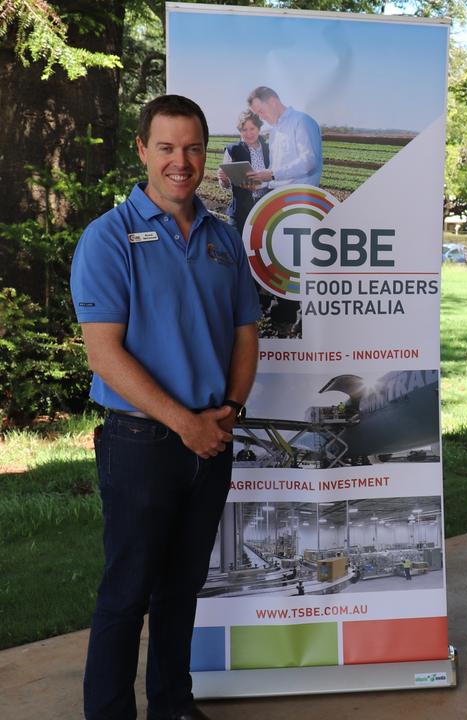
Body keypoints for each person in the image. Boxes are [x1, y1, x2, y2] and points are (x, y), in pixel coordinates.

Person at [71, 94, 261, 720]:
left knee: (183, 586)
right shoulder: (108, 238)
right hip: (141, 442)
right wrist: (185, 424)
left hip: (211, 438)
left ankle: (173, 705)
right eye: (167, 148)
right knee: (128, 591)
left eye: (193, 148)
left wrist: (229, 409)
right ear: (142, 151)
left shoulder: (223, 239)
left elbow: (244, 334)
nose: (182, 162)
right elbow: (105, 355)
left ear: (207, 153)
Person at [244, 86, 322, 189]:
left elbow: (309, 161)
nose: (260, 117)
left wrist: (272, 174)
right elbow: (275, 172)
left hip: (298, 197)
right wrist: (258, 183)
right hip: (278, 197)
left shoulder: (301, 121)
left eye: (261, 111)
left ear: (272, 102)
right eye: (257, 114)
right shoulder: (274, 132)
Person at [216, 109, 270, 234]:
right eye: (244, 130)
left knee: (260, 248)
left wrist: (261, 184)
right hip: (240, 210)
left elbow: (276, 176)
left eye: (252, 129)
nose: (249, 133)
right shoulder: (232, 150)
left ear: (259, 128)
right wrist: (223, 179)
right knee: (235, 247)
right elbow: (225, 185)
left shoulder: (270, 149)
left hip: (265, 208)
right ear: (240, 131)